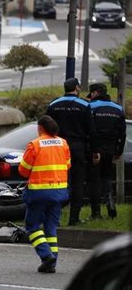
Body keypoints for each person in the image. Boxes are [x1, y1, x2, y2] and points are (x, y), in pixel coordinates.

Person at [19, 115, 71, 274]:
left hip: (39, 192)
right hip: (59, 192)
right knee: (51, 228)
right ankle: (52, 262)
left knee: (32, 226)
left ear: (40, 128)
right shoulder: (63, 143)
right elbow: (68, 165)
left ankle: (46, 255)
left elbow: (23, 170)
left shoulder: (35, 144)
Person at [46, 77, 98, 226]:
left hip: (57, 147)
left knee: (58, 182)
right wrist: (95, 150)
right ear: (77, 88)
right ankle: (74, 219)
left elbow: (46, 125)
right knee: (77, 183)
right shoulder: (84, 104)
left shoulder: (54, 104)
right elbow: (91, 130)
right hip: (78, 148)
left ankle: (54, 217)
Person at [86, 83, 126, 219]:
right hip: (111, 148)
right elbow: (122, 133)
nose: (90, 97)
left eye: (91, 94)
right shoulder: (118, 108)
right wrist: (119, 152)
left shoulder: (90, 107)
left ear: (95, 93)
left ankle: (96, 213)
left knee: (94, 180)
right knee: (107, 177)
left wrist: (92, 149)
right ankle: (110, 202)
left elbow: (88, 130)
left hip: (95, 148)